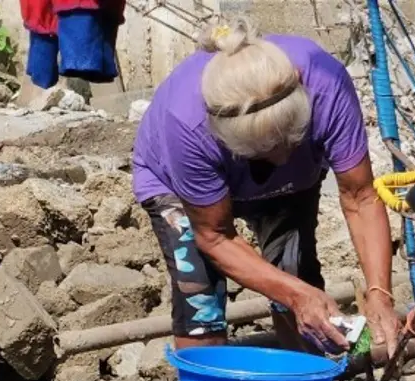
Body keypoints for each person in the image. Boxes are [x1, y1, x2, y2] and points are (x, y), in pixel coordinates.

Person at [132, 19, 399, 356]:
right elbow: (214, 236)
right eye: (265, 150)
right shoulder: (185, 124)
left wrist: (380, 292)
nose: (280, 158)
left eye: (292, 140)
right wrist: (294, 294)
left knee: (297, 279)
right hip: (177, 184)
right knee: (201, 304)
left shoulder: (326, 85)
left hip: (291, 184)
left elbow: (360, 197)